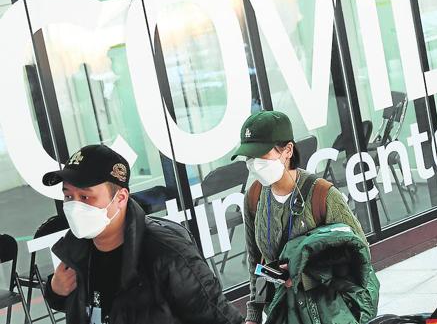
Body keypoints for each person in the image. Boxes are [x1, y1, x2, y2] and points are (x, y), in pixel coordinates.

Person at [43, 144, 243, 324]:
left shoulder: (168, 256)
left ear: (120, 198)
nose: (74, 206)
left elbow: (219, 318)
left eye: (85, 196)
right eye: (68, 196)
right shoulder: (76, 250)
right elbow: (88, 307)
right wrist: (55, 291)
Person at [231, 110, 378, 324]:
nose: (254, 164)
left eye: (261, 155)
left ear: (288, 150)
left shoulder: (322, 195)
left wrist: (305, 275)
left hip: (326, 313)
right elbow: (257, 261)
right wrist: (254, 314)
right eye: (250, 157)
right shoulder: (254, 197)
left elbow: (359, 251)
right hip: (281, 311)